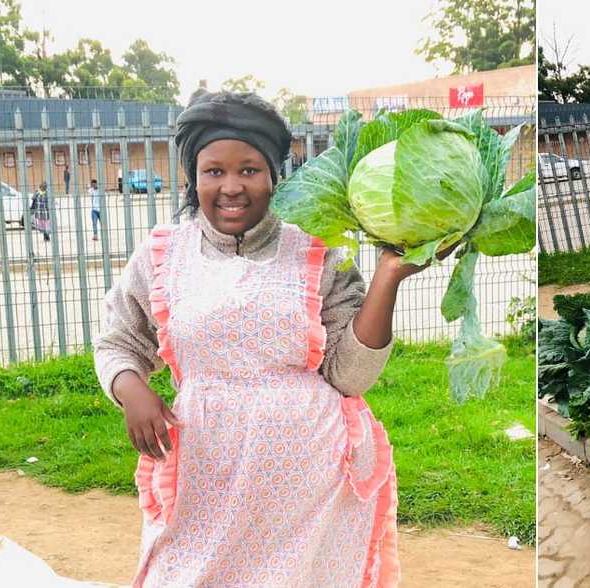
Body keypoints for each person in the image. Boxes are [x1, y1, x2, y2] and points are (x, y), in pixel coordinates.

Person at [93, 91, 422, 587]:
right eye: (214, 171)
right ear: (193, 175)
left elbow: (349, 376)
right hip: (207, 471)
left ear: (274, 175)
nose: (231, 187)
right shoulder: (164, 254)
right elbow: (117, 340)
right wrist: (130, 388)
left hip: (308, 481)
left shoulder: (317, 252)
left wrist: (387, 278)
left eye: (249, 170)